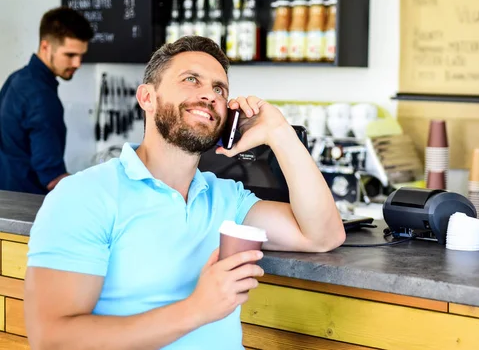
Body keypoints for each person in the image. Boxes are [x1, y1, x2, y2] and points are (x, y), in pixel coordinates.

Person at [24, 36, 346, 349]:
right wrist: (197, 309)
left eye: (219, 89)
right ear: (147, 98)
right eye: (192, 79)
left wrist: (280, 132)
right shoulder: (85, 196)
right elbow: (52, 339)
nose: (209, 95)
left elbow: (322, 235)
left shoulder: (227, 198)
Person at [0, 6, 94, 194]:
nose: (77, 63)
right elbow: (53, 178)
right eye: (70, 55)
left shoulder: (17, 79)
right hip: (29, 207)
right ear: (45, 47)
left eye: (81, 55)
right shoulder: (41, 98)